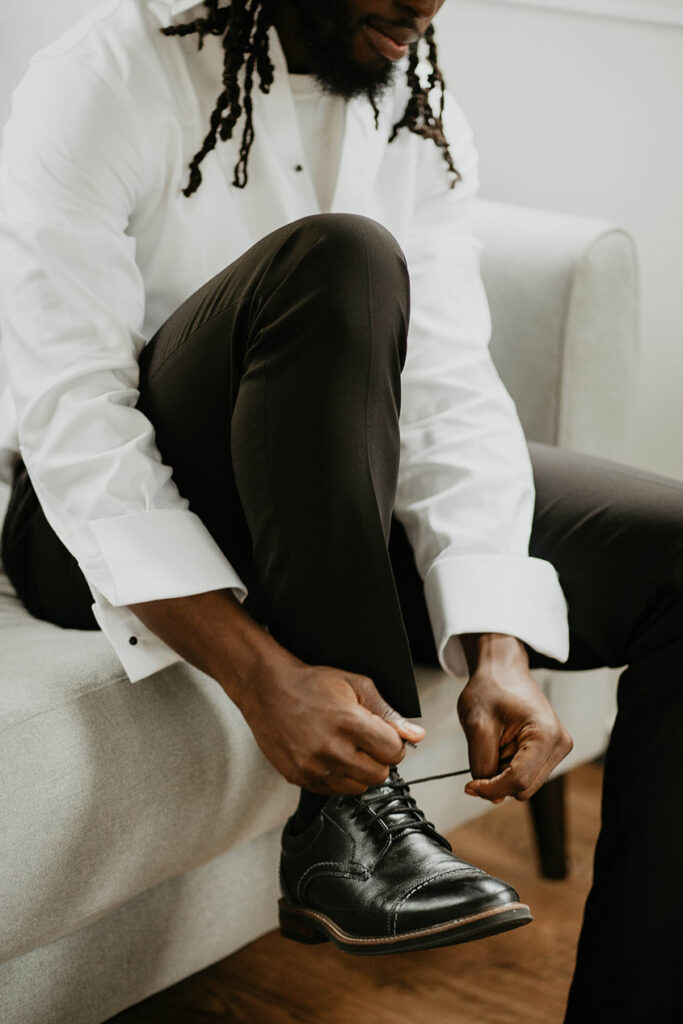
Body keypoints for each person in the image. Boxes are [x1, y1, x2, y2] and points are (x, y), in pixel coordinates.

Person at [0, 0, 681, 1019]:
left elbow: (446, 380)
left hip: (331, 489)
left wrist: (498, 641)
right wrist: (259, 674)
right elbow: (73, 417)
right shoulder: (103, 73)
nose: (425, 4)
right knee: (338, 256)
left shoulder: (410, 80)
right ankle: (350, 816)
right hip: (92, 521)